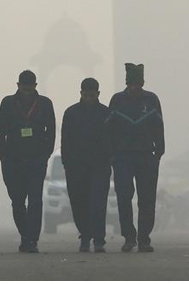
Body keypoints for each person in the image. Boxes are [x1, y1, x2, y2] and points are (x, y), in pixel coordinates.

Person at [0, 70, 56, 253]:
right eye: (24, 89)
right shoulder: (7, 103)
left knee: (35, 200)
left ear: (35, 86)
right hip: (13, 159)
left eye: (30, 89)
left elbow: (51, 129)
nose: (27, 92)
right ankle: (26, 234)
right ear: (18, 86)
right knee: (17, 200)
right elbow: (0, 130)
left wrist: (46, 152)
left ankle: (32, 239)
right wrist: (2, 154)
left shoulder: (45, 104)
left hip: (36, 158)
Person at [107, 63, 165, 253]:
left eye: (137, 84)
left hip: (146, 156)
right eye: (131, 83)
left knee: (147, 199)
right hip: (123, 157)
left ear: (142, 82)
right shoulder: (117, 100)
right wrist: (113, 154)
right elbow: (109, 129)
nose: (134, 87)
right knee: (124, 197)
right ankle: (129, 237)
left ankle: (144, 238)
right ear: (126, 83)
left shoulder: (151, 99)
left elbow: (159, 127)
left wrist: (159, 152)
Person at [61, 77, 113, 253]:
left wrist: (108, 160)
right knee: (79, 202)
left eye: (92, 95)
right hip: (76, 166)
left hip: (100, 165)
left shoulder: (107, 113)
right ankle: (85, 235)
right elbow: (65, 141)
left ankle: (98, 239)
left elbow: (112, 139)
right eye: (86, 95)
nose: (89, 98)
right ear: (81, 93)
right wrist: (66, 163)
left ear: (98, 94)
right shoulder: (71, 113)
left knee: (98, 202)